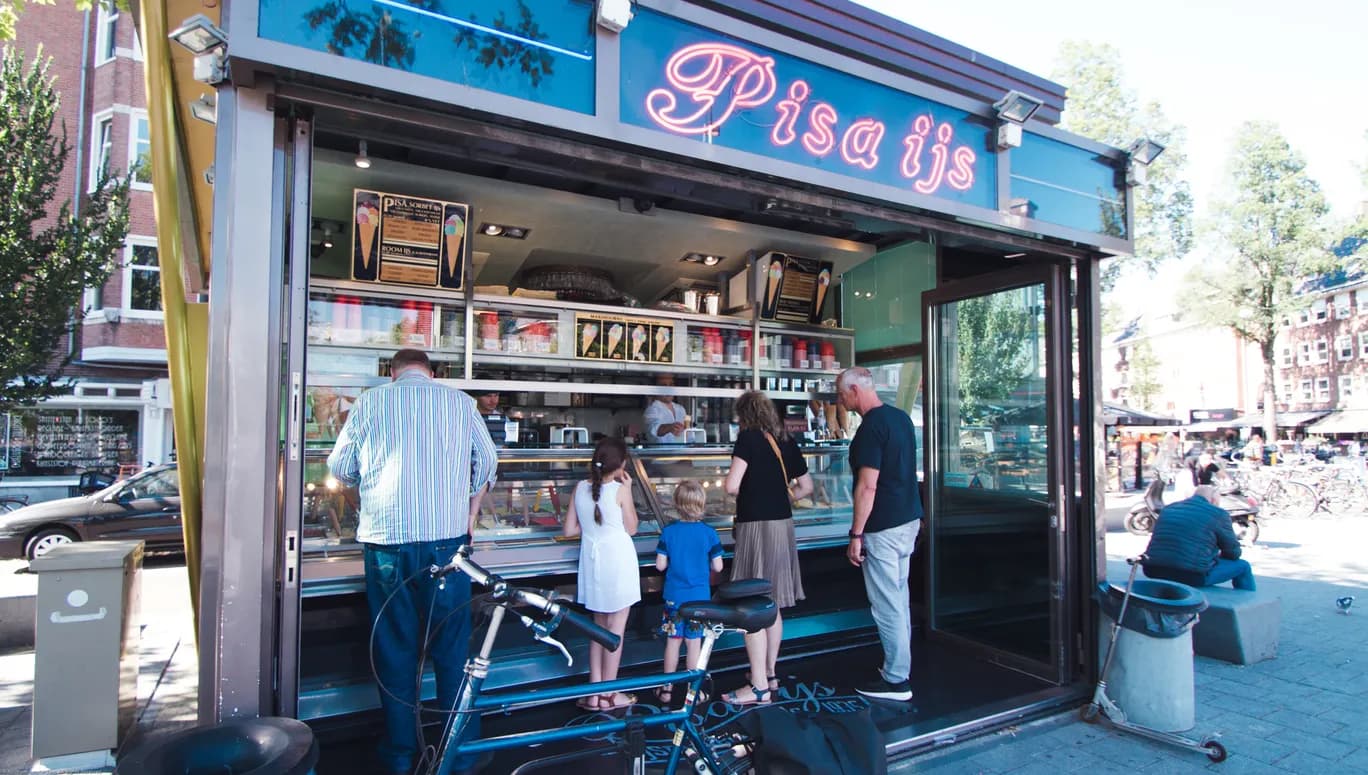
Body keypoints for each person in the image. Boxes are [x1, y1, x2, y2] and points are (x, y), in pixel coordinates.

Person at [326, 348, 498, 775]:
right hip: (448, 543)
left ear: (392, 373)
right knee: (452, 648)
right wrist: (470, 512)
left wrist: (365, 488)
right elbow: (489, 462)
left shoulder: (369, 402)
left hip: (387, 542)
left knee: (394, 648)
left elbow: (340, 468)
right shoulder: (461, 403)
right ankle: (461, 752)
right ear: (432, 373)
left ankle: (401, 755)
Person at [721, 390, 814, 706]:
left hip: (756, 527)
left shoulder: (747, 439)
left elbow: (732, 485)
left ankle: (758, 686)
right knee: (771, 604)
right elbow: (806, 487)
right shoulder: (785, 440)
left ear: (744, 415)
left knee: (753, 603)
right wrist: (781, 496)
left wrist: (753, 494)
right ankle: (770, 674)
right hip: (782, 525)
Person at [837, 366, 922, 702]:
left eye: (841, 393)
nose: (840, 400)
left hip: (883, 527)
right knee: (898, 599)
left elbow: (868, 486)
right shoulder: (900, 419)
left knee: (887, 606)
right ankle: (900, 668)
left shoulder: (871, 427)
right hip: (908, 520)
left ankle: (897, 680)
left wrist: (856, 534)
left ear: (855, 390)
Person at [563, 437, 642, 710]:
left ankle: (594, 693)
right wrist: (628, 490)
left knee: (597, 629)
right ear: (621, 464)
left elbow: (568, 530)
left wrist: (592, 526)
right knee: (615, 631)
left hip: (592, 563)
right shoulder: (620, 490)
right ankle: (610, 694)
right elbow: (632, 528)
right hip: (618, 562)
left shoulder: (580, 488)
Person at [654, 480, 723, 704]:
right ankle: (692, 692)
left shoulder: (668, 532)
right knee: (694, 644)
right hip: (699, 600)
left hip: (674, 598)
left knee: (673, 642)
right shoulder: (709, 533)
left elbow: (660, 566)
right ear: (702, 504)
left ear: (676, 504)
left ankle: (667, 689)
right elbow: (718, 566)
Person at [1142, 485, 1255, 590]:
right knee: (1243, 566)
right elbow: (1233, 552)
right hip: (1190, 575)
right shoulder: (1218, 514)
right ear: (1213, 500)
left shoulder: (1168, 509)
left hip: (1152, 570)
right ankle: (1248, 602)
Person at [643, 375, 688, 443]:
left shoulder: (681, 409)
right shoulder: (652, 409)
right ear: (656, 389)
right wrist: (669, 427)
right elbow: (654, 430)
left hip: (682, 450)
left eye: (671, 385)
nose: (668, 389)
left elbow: (688, 435)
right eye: (664, 386)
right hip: (662, 450)